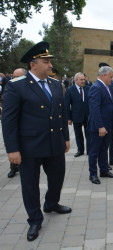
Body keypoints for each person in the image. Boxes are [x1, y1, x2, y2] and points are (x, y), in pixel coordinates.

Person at [1, 41, 72, 241]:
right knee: (30, 185)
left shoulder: (56, 85)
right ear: (33, 64)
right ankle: (34, 218)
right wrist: (12, 149)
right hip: (29, 147)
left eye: (49, 61)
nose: (50, 65)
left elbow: (61, 112)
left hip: (55, 143)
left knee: (57, 178)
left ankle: (51, 203)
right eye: (45, 61)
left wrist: (65, 138)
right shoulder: (17, 86)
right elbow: (8, 120)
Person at [88, 66, 113, 184]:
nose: (112, 79)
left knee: (104, 149)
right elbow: (95, 109)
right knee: (94, 151)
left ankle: (104, 170)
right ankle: (93, 174)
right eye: (111, 77)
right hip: (99, 127)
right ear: (104, 75)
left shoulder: (105, 86)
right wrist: (100, 126)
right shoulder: (96, 87)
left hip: (107, 125)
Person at [5, 68, 27, 179]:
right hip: (15, 125)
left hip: (26, 127)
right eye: (14, 76)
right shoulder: (11, 86)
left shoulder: (28, 88)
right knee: (14, 145)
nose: (15, 78)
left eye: (18, 76)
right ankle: (13, 168)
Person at [65, 72, 90, 157]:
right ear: (75, 80)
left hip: (88, 115)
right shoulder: (69, 90)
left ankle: (89, 150)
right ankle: (80, 150)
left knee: (89, 134)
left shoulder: (88, 89)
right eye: (81, 79)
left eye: (84, 79)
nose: (83, 81)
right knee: (78, 134)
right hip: (76, 115)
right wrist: (68, 118)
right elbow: (66, 105)